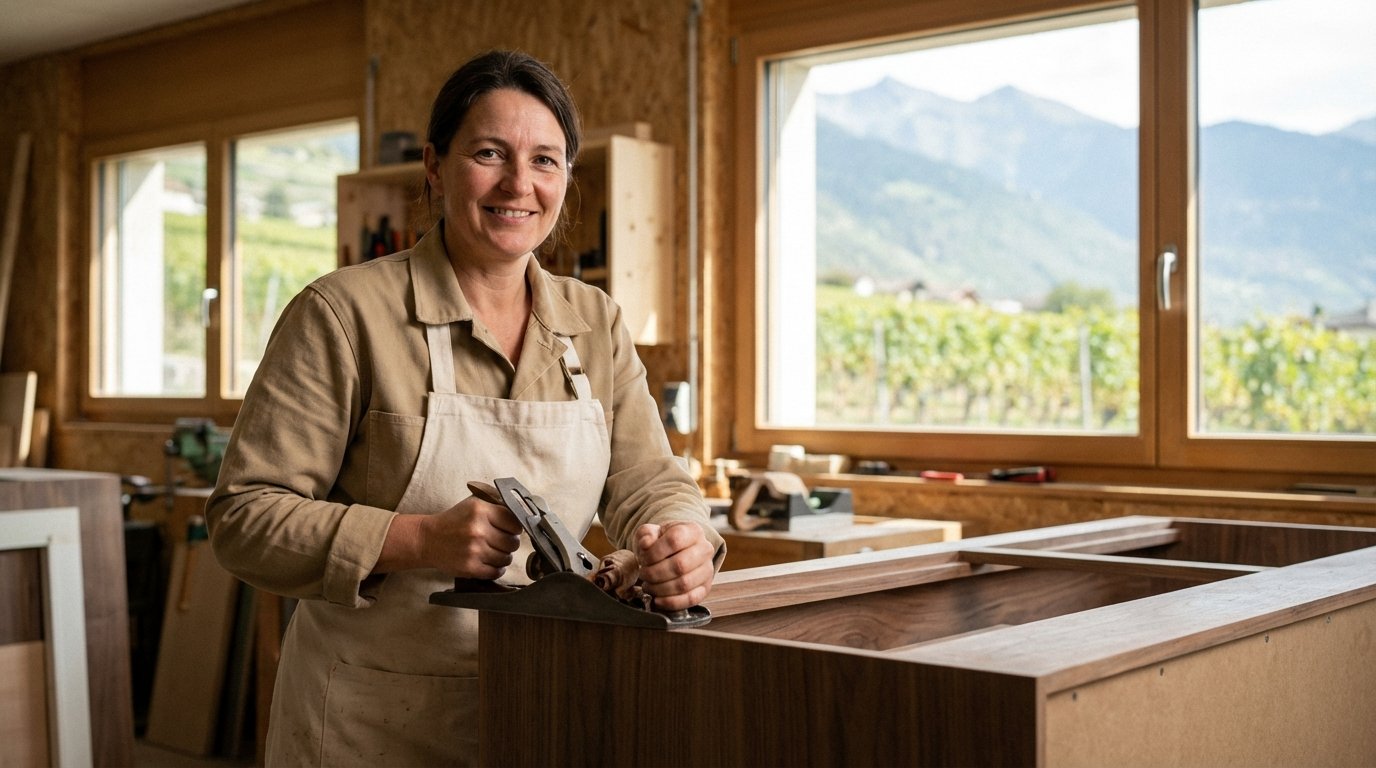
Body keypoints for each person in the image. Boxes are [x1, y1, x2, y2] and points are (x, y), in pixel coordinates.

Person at [206, 49, 724, 767]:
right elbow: (244, 519)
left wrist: (683, 538)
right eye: (489, 154)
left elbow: (650, 481)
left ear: (566, 179)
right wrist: (418, 540)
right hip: (369, 724)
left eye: (545, 161)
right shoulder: (343, 314)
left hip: (542, 706)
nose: (519, 185)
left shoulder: (595, 321)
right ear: (434, 166)